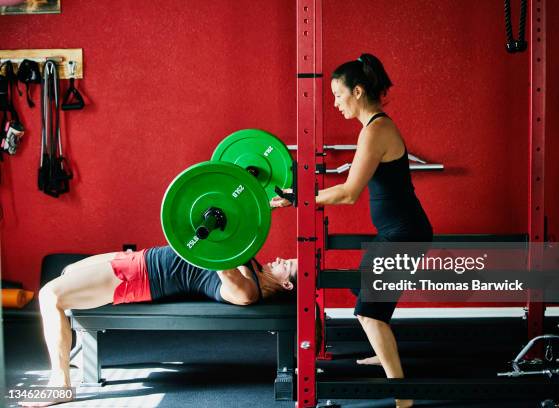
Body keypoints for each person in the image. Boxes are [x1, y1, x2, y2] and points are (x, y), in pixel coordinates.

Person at [272, 53, 433, 408]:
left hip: (404, 235)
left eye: (338, 95)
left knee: (367, 312)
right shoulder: (373, 128)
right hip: (397, 232)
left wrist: (301, 200)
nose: (335, 103)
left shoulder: (376, 130)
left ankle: (402, 394)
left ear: (358, 91)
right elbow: (344, 186)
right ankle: (383, 352)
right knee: (363, 288)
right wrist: (300, 197)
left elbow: (348, 193)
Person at [20, 246, 297, 407]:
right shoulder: (253, 265)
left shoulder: (248, 291)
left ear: (287, 284)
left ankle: (61, 383)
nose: (283, 259)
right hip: (138, 258)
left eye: (289, 266)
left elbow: (221, 264)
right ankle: (75, 349)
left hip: (139, 276)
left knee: (50, 294)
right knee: (67, 272)